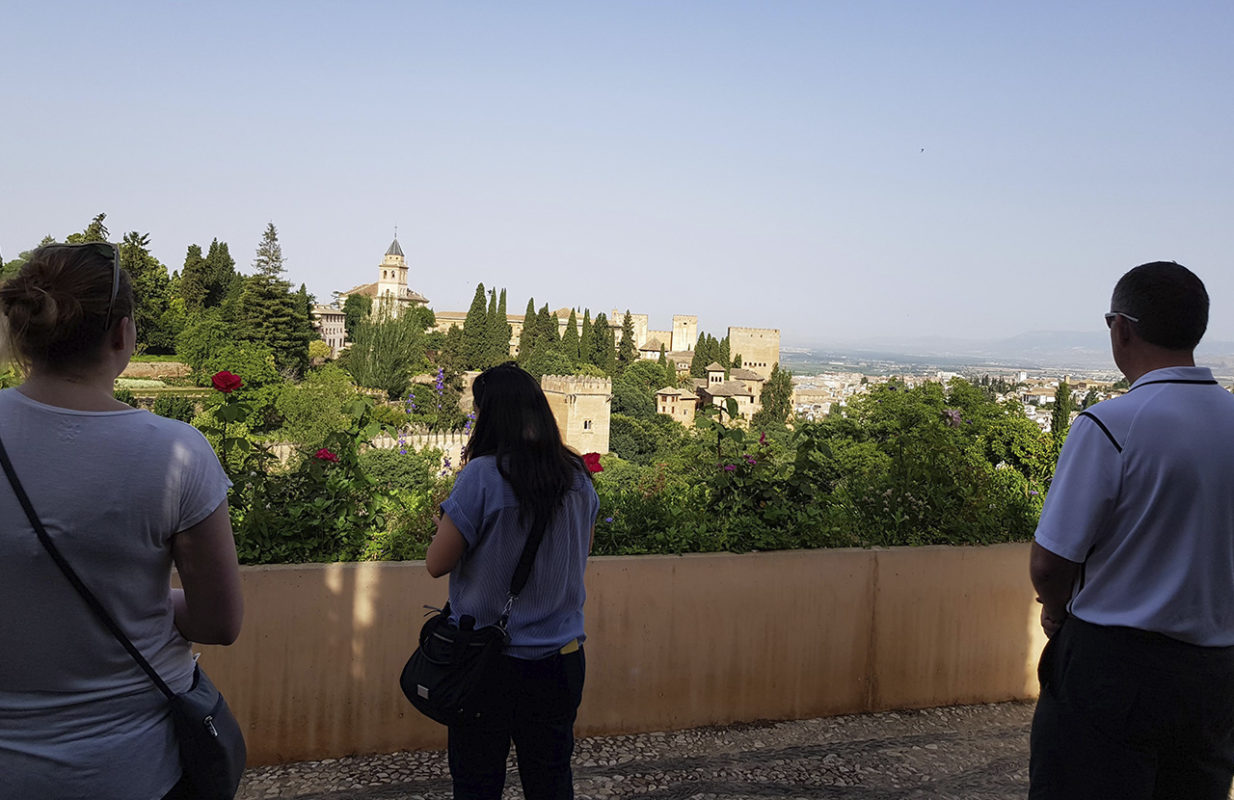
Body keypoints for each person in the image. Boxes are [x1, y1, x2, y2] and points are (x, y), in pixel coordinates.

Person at [0, 242, 244, 800]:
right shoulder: (174, 451)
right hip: (131, 768)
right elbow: (219, 622)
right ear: (122, 334)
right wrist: (143, 605)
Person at [1029, 261, 1234, 799]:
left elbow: (1050, 562)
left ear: (1121, 327)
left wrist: (1055, 608)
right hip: (1216, 671)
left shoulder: (1110, 424)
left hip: (1113, 668)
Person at [426, 362, 598, 800]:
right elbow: (581, 552)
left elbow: (436, 562)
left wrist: (445, 520)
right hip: (561, 660)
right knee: (551, 779)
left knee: (478, 782)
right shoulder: (578, 478)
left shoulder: (482, 477)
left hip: (488, 664)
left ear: (490, 415)